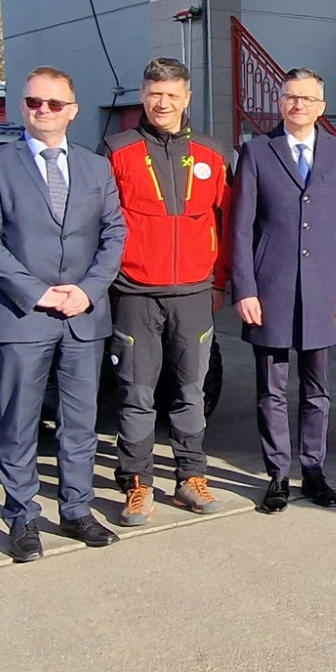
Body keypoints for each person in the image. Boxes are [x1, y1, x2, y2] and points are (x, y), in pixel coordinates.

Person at [0, 66, 128, 563]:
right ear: (23, 106)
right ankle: (21, 516)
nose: (44, 111)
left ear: (72, 111)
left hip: (83, 314)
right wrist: (37, 293)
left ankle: (77, 510)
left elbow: (114, 233)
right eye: (35, 102)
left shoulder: (95, 167)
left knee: (80, 420)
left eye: (55, 103)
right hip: (22, 314)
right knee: (19, 420)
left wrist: (89, 290)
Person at [230, 69, 336, 513]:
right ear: (280, 102)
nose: (299, 105)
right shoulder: (256, 152)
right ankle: (277, 473)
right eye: (291, 97)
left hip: (324, 291)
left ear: (321, 107)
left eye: (308, 99)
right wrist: (244, 288)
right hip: (270, 288)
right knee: (271, 389)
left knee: (316, 389)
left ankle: (313, 469)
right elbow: (241, 226)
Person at [102, 57, 233, 525]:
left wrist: (220, 280)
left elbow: (226, 221)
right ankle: (136, 482)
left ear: (187, 98)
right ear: (142, 95)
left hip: (195, 293)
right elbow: (100, 222)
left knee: (191, 392)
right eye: (155, 94)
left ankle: (190, 477)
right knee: (137, 393)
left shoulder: (212, 154)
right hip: (134, 293)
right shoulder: (116, 150)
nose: (163, 103)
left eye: (172, 95)